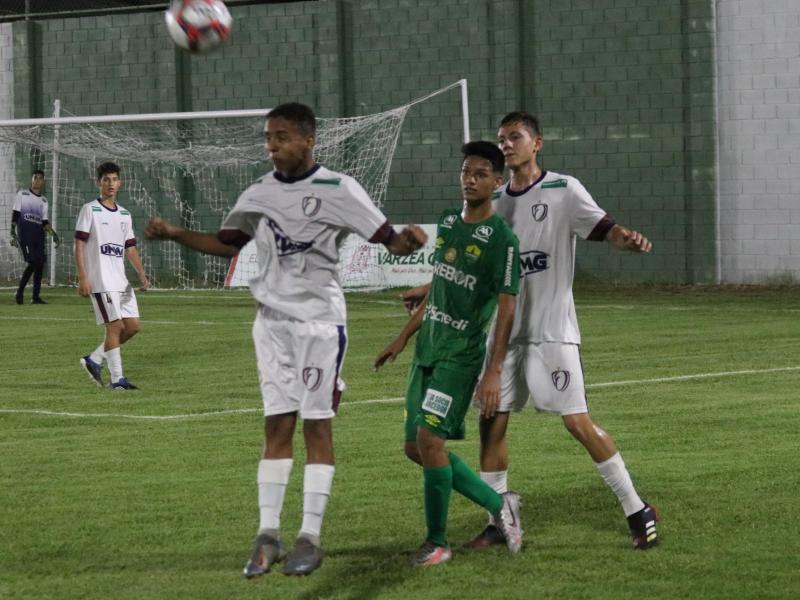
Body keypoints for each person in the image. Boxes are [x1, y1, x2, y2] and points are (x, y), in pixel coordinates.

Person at [144, 102, 428, 579]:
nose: (271, 146)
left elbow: (389, 240)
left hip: (318, 325)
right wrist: (174, 233)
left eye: (280, 137)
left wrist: (409, 240)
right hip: (270, 326)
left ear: (307, 140)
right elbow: (227, 242)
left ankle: (309, 538)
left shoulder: (339, 189)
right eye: (268, 138)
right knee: (275, 426)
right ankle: (267, 535)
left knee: (317, 426)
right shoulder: (258, 192)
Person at [403, 111, 658, 551]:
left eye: (515, 137)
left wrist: (626, 239)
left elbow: (605, 229)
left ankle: (637, 508)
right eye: (501, 138)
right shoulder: (495, 199)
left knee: (577, 423)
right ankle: (498, 520)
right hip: (501, 337)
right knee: (491, 423)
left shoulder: (564, 190)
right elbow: (475, 265)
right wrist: (432, 285)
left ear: (536, 143)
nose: (506, 144)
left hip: (552, 333)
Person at [373, 141, 523, 566]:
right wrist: (402, 338)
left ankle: (437, 542)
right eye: (465, 172)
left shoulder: (502, 241)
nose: (470, 179)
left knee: (430, 440)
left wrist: (494, 371)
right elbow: (439, 286)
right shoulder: (447, 222)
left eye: (480, 174)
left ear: (497, 182)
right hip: (427, 351)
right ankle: (500, 505)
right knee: (414, 448)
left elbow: (507, 308)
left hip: (460, 357)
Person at [74, 161, 149, 390]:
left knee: (133, 326)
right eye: (106, 179)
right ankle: (117, 380)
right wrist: (83, 277)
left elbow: (130, 247)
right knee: (114, 327)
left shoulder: (125, 215)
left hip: (121, 281)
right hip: (101, 280)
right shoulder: (90, 210)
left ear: (120, 183)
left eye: (114, 179)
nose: (111, 183)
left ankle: (95, 359)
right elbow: (79, 244)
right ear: (99, 183)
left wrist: (141, 273)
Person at [10, 169, 60, 304]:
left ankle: (35, 297)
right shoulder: (22, 194)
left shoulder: (44, 200)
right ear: (31, 179)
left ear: (43, 181)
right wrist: (12, 231)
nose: (37, 180)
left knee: (39, 265)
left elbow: (44, 222)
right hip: (26, 236)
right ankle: (19, 292)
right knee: (32, 263)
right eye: (35, 178)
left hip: (39, 237)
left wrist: (53, 234)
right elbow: (15, 214)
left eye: (40, 178)